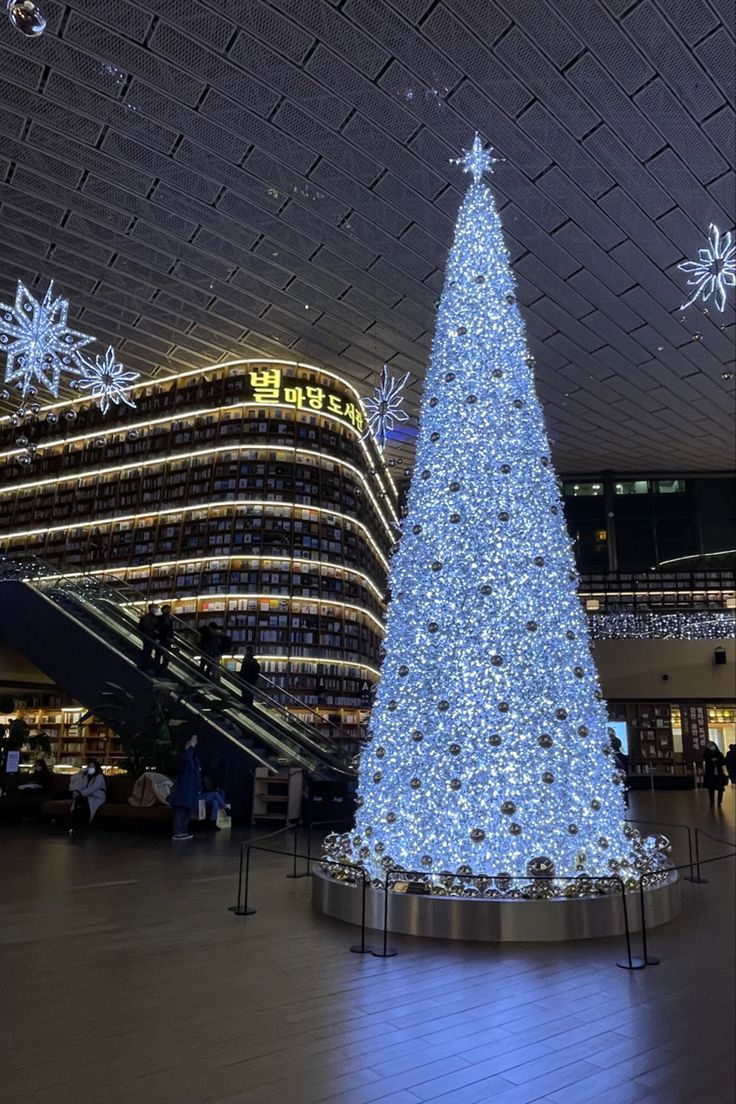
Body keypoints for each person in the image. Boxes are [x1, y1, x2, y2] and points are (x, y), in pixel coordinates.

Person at [169, 735, 202, 841]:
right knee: (181, 810)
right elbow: (187, 759)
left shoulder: (192, 760)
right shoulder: (185, 758)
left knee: (186, 810)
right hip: (185, 789)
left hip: (190, 790)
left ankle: (182, 831)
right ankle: (179, 831)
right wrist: (191, 746)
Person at [68, 761, 106, 835]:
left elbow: (93, 788)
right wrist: (83, 772)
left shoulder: (99, 777)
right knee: (79, 802)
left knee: (79, 801)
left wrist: (81, 794)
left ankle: (76, 824)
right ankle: (75, 823)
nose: (90, 769)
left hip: (97, 798)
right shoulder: (87, 777)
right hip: (89, 797)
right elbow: (73, 779)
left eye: (92, 767)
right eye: (89, 767)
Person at [702, 741, 727, 807]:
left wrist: (717, 760)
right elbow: (704, 757)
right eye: (709, 746)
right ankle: (712, 802)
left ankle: (719, 802)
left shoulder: (719, 754)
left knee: (720, 788)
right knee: (711, 789)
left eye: (712, 745)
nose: (711, 747)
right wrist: (711, 759)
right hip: (710, 774)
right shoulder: (707, 754)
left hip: (719, 774)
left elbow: (723, 762)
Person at [155, 603, 176, 671]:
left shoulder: (170, 619)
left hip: (166, 639)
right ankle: (159, 668)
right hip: (161, 639)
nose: (167, 611)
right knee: (159, 654)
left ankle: (162, 668)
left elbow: (171, 629)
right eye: (166, 610)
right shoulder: (160, 618)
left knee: (165, 655)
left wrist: (172, 637)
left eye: (168, 610)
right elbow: (158, 628)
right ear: (162, 610)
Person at [138, 603, 158, 671]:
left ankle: (144, 665)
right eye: (155, 608)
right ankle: (144, 666)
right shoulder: (149, 617)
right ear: (150, 609)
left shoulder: (147, 617)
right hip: (149, 636)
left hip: (148, 636)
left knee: (147, 651)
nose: (156, 609)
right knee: (147, 651)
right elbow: (148, 627)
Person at [239, 644, 261, 708]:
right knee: (249, 693)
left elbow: (243, 670)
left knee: (245, 694)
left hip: (246, 679)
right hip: (251, 680)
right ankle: (249, 705)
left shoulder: (246, 660)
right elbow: (257, 668)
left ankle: (246, 705)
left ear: (247, 651)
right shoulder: (253, 660)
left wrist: (241, 676)